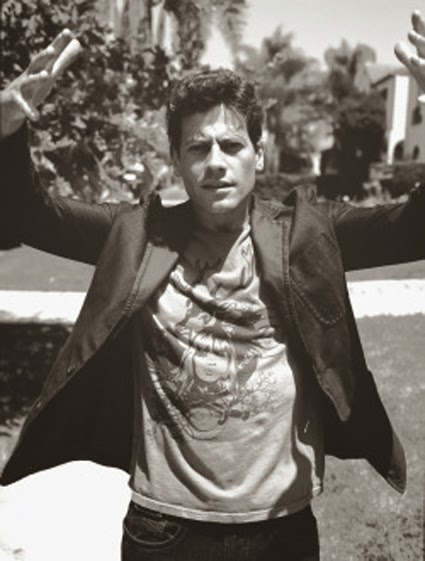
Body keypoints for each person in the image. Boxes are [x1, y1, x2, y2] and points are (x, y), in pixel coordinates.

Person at [0, 12, 424, 561]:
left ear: (259, 154)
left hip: (283, 530)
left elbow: (412, 228)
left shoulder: (307, 232)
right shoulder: (137, 234)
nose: (216, 163)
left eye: (232, 144)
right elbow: (29, 215)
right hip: (165, 531)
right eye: (198, 148)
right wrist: (8, 129)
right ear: (177, 160)